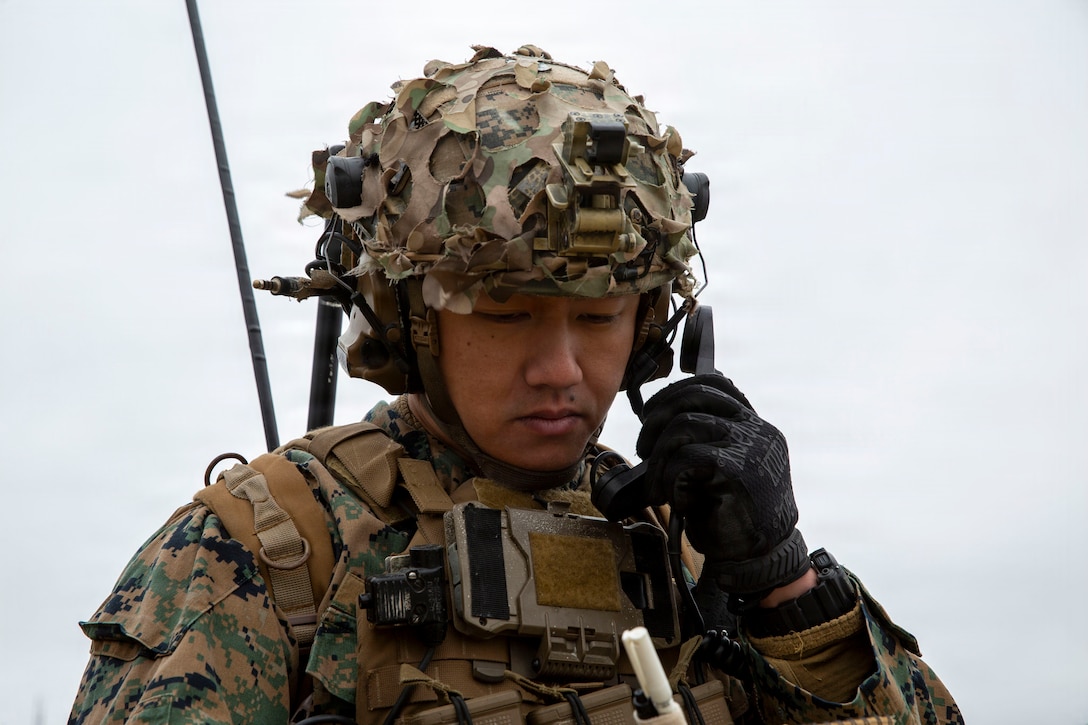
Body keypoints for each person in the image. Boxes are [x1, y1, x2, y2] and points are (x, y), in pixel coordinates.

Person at [69, 45, 962, 724]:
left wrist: (783, 588)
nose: (562, 368)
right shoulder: (265, 556)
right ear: (410, 320)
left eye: (601, 316)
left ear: (653, 325)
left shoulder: (687, 547)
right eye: (504, 312)